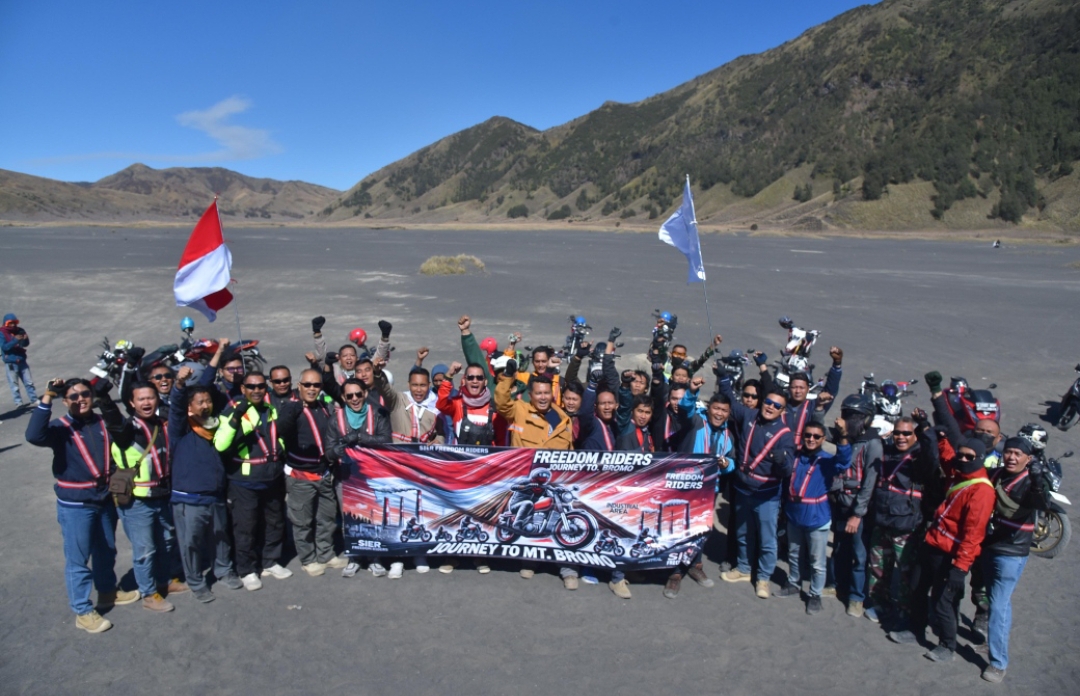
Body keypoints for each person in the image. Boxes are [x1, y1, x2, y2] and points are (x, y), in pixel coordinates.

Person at [25, 378, 140, 633]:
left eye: (85, 394)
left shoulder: (102, 422)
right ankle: (82, 610)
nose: (80, 399)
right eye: (73, 397)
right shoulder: (60, 428)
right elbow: (33, 435)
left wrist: (107, 401)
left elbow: (124, 431)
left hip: (103, 497)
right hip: (75, 504)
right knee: (78, 559)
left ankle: (108, 591)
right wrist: (47, 396)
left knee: (106, 549)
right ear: (64, 401)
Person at [888, 437, 994, 664]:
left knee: (942, 601)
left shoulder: (981, 491)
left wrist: (960, 568)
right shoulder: (960, 475)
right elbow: (947, 457)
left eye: (969, 457)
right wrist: (938, 434)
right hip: (932, 545)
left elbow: (973, 534)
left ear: (980, 459)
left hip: (950, 555)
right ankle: (915, 629)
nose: (963, 459)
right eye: (961, 455)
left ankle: (948, 645)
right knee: (917, 588)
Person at [977, 436, 1051, 683]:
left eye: (1018, 454)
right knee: (999, 602)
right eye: (1008, 452)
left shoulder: (1030, 481)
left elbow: (1039, 504)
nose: (1011, 457)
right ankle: (993, 644)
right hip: (990, 545)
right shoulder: (997, 474)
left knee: (998, 605)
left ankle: (998, 664)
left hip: (1011, 554)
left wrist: (1039, 481)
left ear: (1028, 459)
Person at [718, 371, 796, 600]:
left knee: (767, 539)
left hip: (766, 496)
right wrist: (723, 378)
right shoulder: (749, 415)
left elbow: (787, 471)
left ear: (782, 411)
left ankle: (763, 577)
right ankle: (743, 569)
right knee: (743, 533)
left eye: (776, 406)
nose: (770, 407)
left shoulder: (785, 436)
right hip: (742, 489)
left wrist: (782, 460)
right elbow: (730, 402)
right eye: (768, 402)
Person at [169, 365, 243, 602]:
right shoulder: (181, 429)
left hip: (215, 494)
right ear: (190, 407)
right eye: (199, 402)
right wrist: (179, 385)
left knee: (221, 536)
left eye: (208, 401)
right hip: (188, 498)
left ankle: (223, 570)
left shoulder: (216, 427)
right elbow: (176, 410)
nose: (205, 405)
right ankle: (196, 582)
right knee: (190, 542)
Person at [111, 381, 187, 612]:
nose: (146, 403)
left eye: (150, 398)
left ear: (157, 399)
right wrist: (105, 399)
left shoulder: (161, 423)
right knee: (145, 549)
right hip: (137, 499)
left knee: (166, 541)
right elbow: (113, 420)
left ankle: (164, 581)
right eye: (141, 399)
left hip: (162, 494)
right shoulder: (126, 429)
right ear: (132, 403)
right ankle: (148, 593)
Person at [214, 371, 292, 590]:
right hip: (244, 480)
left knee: (274, 521)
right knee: (245, 527)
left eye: (260, 386)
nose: (256, 391)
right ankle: (247, 569)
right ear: (243, 389)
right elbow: (220, 445)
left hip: (272, 476)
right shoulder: (232, 412)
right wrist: (238, 416)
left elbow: (279, 438)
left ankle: (271, 561)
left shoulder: (271, 410)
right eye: (251, 387)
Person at [865, 413, 940, 626]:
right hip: (882, 521)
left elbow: (933, 456)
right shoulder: (886, 453)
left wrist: (925, 427)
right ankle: (880, 603)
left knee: (906, 574)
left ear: (915, 435)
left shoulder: (920, 458)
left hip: (906, 527)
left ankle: (905, 611)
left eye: (907, 433)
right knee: (878, 568)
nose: (901, 437)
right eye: (897, 432)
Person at [373, 361, 444, 576]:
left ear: (429, 385)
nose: (419, 390)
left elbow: (439, 433)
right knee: (396, 511)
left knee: (420, 511)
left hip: (422, 468)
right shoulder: (398, 400)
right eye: (415, 385)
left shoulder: (435, 406)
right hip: (398, 467)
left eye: (423, 385)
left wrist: (439, 442)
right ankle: (397, 559)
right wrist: (377, 372)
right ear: (409, 384)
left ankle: (418, 553)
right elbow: (383, 387)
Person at [667, 380, 736, 598]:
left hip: (709, 490)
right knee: (680, 528)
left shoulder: (728, 436)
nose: (719, 413)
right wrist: (692, 391)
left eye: (724, 410)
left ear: (729, 413)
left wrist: (727, 466)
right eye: (716, 408)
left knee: (702, 530)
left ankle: (695, 565)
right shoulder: (696, 422)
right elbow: (686, 408)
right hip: (686, 487)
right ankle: (675, 573)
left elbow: (732, 462)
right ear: (709, 409)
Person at [774, 419, 851, 614]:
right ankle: (793, 582)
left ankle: (815, 594)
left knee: (817, 561)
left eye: (816, 436)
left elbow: (843, 461)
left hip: (817, 517)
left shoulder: (827, 460)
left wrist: (842, 436)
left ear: (823, 439)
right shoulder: (796, 457)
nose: (811, 439)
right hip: (794, 514)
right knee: (793, 553)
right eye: (808, 435)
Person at [281, 369, 348, 577]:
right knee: (302, 521)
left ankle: (326, 554)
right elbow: (281, 428)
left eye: (316, 385)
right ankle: (308, 559)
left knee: (327, 518)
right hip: (301, 477)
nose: (312, 389)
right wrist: (293, 409)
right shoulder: (291, 408)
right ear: (299, 386)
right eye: (307, 385)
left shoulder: (324, 408)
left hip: (324, 474)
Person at [326, 378, 392, 577]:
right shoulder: (334, 420)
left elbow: (386, 442)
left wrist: (361, 438)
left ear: (365, 394)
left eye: (358, 394)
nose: (354, 399)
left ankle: (374, 557)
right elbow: (328, 452)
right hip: (346, 477)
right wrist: (336, 451)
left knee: (373, 517)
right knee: (349, 519)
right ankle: (354, 556)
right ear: (344, 398)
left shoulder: (378, 414)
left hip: (372, 476)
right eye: (349, 396)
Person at [827, 394, 881, 618]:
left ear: (865, 419)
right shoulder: (847, 438)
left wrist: (857, 515)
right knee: (840, 547)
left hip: (858, 509)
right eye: (844, 413)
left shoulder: (872, 444)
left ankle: (856, 597)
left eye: (851, 416)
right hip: (841, 503)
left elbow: (869, 483)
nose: (844, 419)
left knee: (859, 554)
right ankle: (837, 583)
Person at [2, 313, 37, 408]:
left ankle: (34, 399)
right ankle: (19, 403)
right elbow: (4, 347)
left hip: (21, 359)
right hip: (11, 362)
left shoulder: (20, 330)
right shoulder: (2, 333)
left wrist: (25, 339)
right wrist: (15, 340)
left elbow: (25, 344)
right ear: (6, 323)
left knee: (28, 381)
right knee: (14, 384)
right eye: (10, 323)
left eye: (14, 322)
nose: (13, 325)